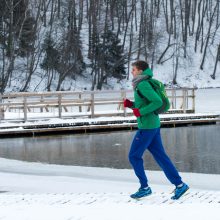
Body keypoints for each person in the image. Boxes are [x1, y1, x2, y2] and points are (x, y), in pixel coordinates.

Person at [123, 60, 189, 200]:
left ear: (140, 71)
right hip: (152, 125)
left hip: (147, 127)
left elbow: (157, 101)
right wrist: (131, 105)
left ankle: (145, 188)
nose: (132, 72)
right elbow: (146, 103)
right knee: (161, 157)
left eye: (133, 69)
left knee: (134, 156)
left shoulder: (143, 84)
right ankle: (180, 185)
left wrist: (140, 112)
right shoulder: (142, 83)